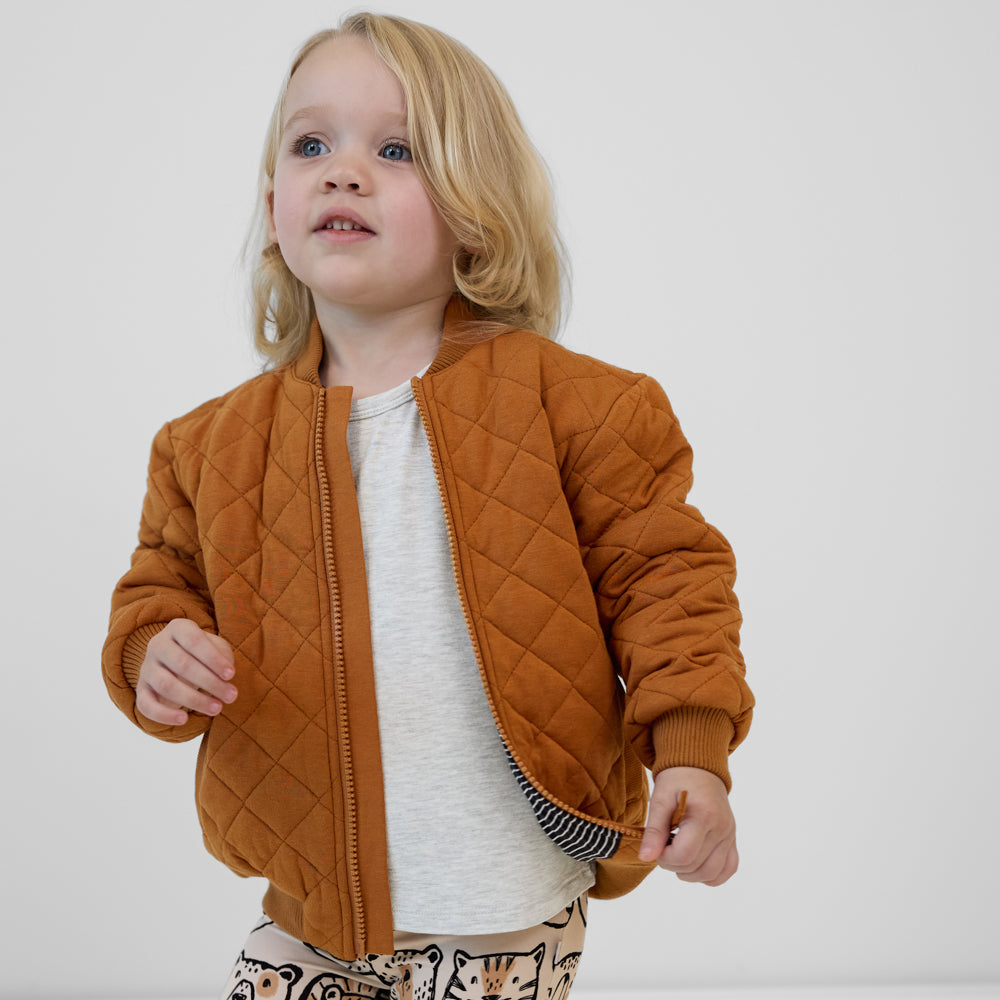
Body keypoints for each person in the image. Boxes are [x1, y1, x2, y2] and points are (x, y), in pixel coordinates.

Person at [102, 12, 753, 1000]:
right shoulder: (206, 446)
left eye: (394, 148)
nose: (342, 171)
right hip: (314, 901)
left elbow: (667, 580)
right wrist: (153, 650)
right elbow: (159, 587)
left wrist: (690, 752)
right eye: (310, 143)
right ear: (273, 201)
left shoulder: (579, 405)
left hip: (503, 907)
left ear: (475, 210)